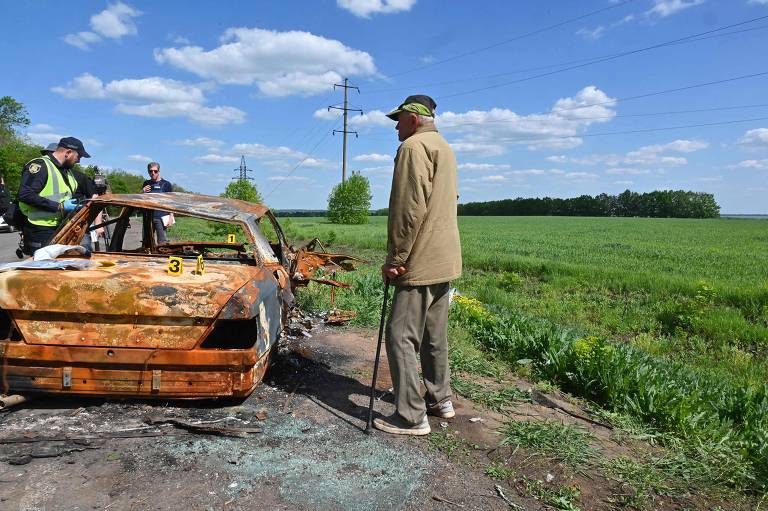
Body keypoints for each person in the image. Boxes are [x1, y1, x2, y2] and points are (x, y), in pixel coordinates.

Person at [373, 95, 462, 436]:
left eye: (398, 119)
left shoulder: (413, 147)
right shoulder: (444, 146)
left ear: (413, 118)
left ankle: (411, 416)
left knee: (400, 335)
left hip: (419, 261)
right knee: (433, 335)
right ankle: (440, 401)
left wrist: (396, 259)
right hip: (445, 258)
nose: (396, 126)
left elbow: (408, 210)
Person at [18, 137, 88, 255]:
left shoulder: (67, 171)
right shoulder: (40, 165)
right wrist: (60, 206)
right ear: (68, 152)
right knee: (43, 270)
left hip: (60, 227)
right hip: (40, 228)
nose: (79, 161)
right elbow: (25, 195)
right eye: (78, 156)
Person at [141, 162, 172, 243]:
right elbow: (140, 200)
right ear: (148, 171)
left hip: (161, 217)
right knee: (146, 243)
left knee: (162, 243)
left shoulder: (166, 184)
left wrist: (171, 217)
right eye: (150, 171)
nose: (153, 173)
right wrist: (142, 192)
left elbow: (171, 202)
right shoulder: (146, 183)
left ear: (159, 171)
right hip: (147, 218)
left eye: (155, 171)